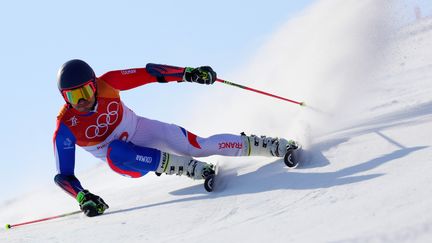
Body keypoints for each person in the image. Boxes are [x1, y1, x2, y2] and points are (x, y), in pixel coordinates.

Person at [54, 59, 298, 217]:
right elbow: (63, 175)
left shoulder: (108, 83)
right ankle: (188, 169)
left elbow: (149, 74)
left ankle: (270, 146)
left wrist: (188, 74)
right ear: (65, 98)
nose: (82, 101)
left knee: (200, 145)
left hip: (141, 130)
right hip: (127, 162)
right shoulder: (65, 126)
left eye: (85, 92)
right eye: (73, 97)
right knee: (115, 150)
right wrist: (83, 196)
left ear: (94, 85)